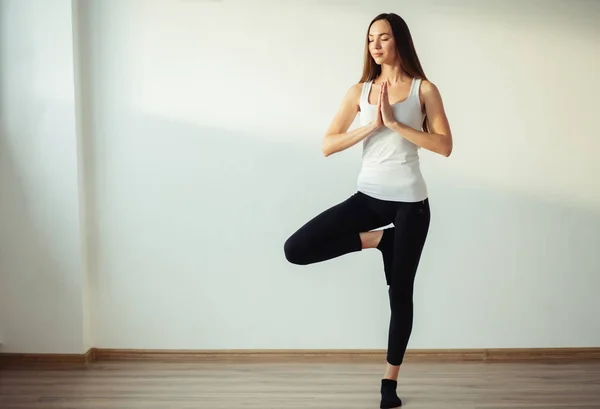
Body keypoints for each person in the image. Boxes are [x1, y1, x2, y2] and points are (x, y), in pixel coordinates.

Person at [283, 12, 453, 409]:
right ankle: (379, 240)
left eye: (384, 38)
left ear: (400, 42)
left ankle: (389, 382)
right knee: (297, 249)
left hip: (412, 204)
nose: (376, 45)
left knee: (401, 294)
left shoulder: (423, 90)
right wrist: (371, 126)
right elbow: (328, 144)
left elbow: (444, 145)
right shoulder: (359, 91)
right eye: (371, 38)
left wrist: (395, 124)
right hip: (369, 196)